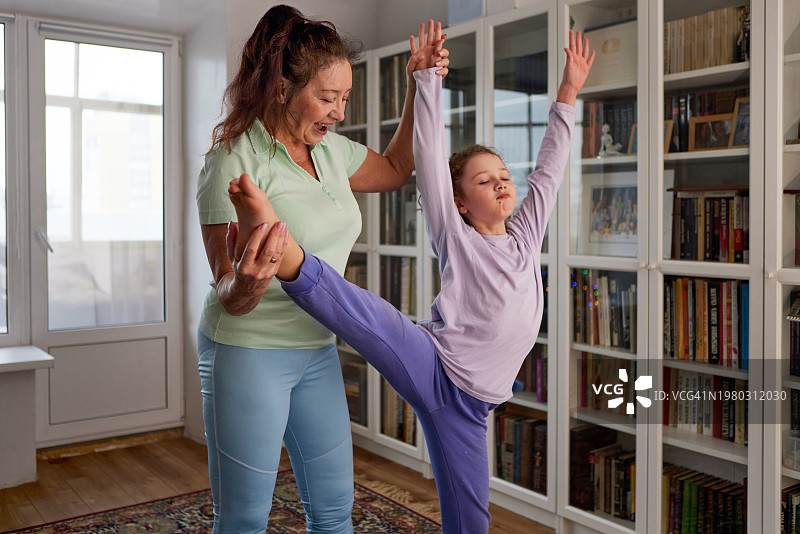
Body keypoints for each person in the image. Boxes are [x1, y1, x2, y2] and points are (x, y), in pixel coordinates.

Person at [226, 30, 594, 534]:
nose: (501, 182)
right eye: (483, 180)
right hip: (435, 364)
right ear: (459, 201)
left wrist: (569, 92)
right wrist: (426, 80)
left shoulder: (527, 236)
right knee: (363, 311)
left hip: (473, 405)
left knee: (471, 519)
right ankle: (282, 247)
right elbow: (430, 152)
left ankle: (283, 248)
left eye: (504, 175)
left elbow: (550, 170)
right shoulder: (456, 234)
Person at [195, 5, 449, 533]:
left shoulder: (332, 152)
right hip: (248, 350)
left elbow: (398, 169)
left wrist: (417, 85)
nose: (338, 112)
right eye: (327, 98)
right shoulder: (235, 159)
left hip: (317, 348)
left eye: (345, 99)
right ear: (282, 88)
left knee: (334, 509)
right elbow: (228, 292)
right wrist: (247, 281)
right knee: (243, 518)